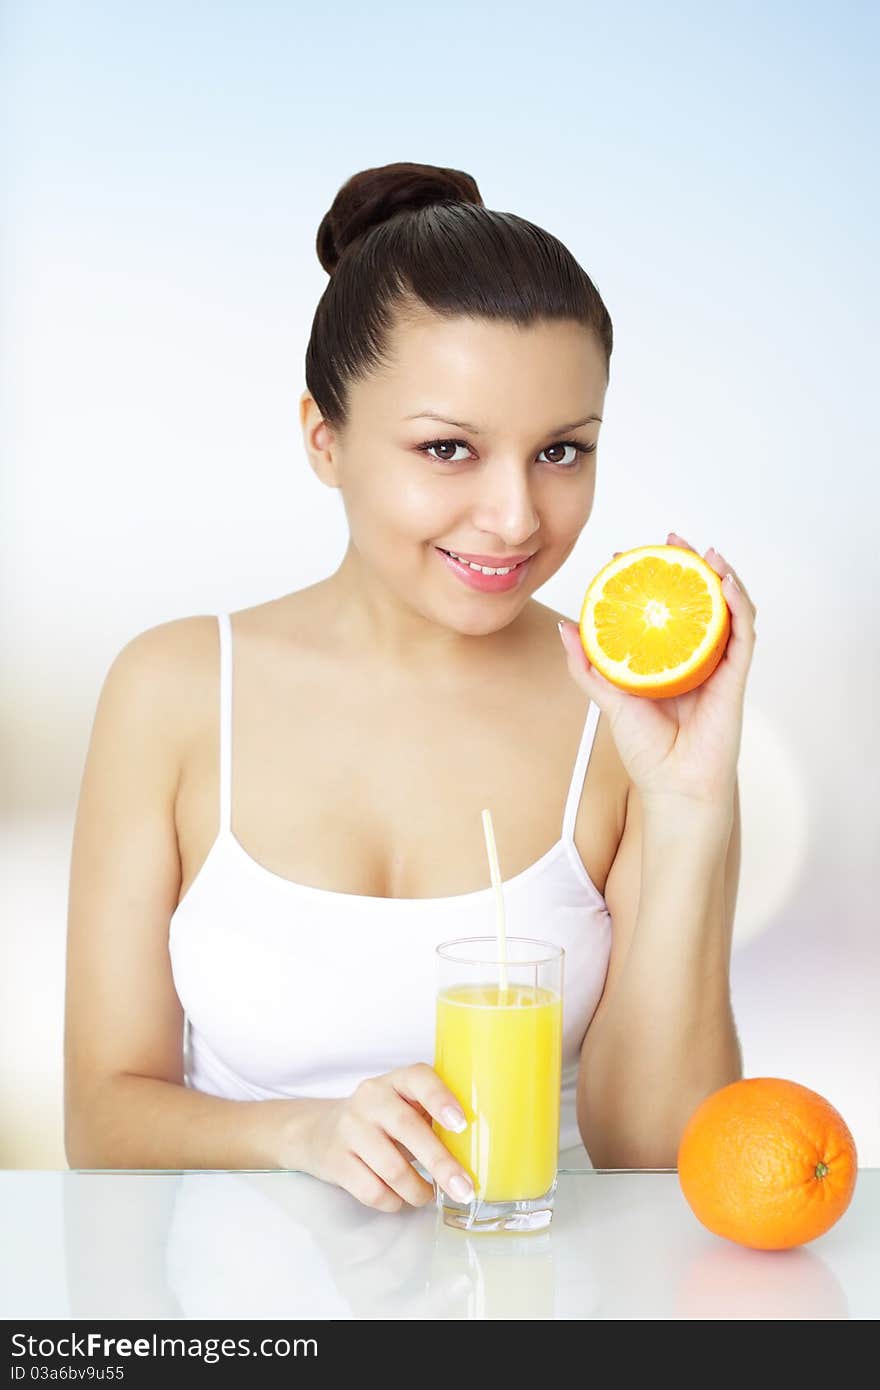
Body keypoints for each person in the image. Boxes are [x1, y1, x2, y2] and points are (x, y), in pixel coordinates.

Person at [64, 161, 756, 1213]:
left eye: (562, 451)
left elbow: (653, 1159)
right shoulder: (173, 691)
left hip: (533, 1309)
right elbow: (102, 1117)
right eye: (448, 449)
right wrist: (303, 1131)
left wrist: (691, 807)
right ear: (323, 439)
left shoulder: (628, 721)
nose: (516, 516)